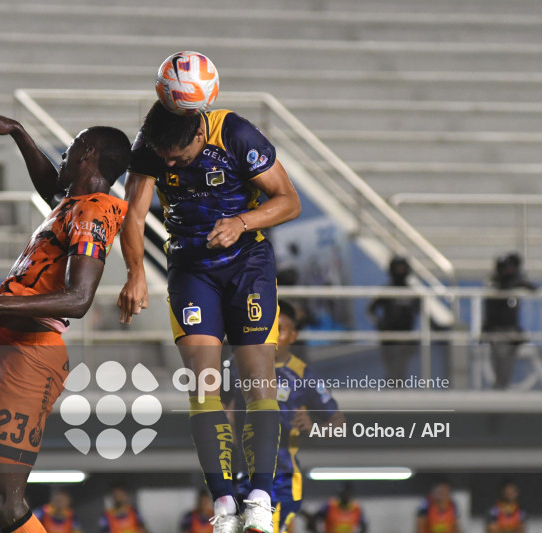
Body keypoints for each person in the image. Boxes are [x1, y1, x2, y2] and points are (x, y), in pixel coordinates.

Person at [0, 110, 130, 533]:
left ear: (87, 153)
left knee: (3, 500)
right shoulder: (73, 205)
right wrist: (17, 132)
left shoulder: (93, 213)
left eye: (72, 148)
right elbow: (52, 186)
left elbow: (78, 299)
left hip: (30, 358)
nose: (66, 155)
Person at [117, 96, 301, 533]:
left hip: (247, 266)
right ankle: (223, 503)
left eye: (177, 157)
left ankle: (260, 497)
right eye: (165, 158)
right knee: (204, 383)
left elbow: (288, 200)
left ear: (199, 135)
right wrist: (135, 273)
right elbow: (135, 215)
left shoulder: (234, 133)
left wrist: (242, 221)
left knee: (259, 379)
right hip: (190, 268)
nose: (171, 165)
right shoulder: (151, 147)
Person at [225, 301, 345, 533]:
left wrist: (313, 427)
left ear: (293, 335)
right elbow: (223, 407)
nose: (273, 336)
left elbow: (339, 424)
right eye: (269, 329)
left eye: (280, 330)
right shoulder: (237, 366)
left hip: (281, 475)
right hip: (242, 470)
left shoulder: (304, 375)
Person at [482, 253, 538, 389]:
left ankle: (502, 390)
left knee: (508, 364)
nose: (510, 270)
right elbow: (500, 289)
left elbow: (534, 288)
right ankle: (499, 392)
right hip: (497, 330)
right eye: (507, 268)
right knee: (500, 363)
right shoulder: (494, 281)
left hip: (511, 329)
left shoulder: (516, 281)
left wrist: (519, 282)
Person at [367, 256, 420, 381]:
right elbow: (370, 311)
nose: (400, 271)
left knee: (401, 371)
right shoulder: (386, 291)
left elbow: (421, 313)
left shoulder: (412, 293)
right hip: (389, 337)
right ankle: (391, 392)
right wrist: (381, 325)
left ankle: (399, 392)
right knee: (391, 370)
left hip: (406, 338)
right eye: (398, 268)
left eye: (403, 268)